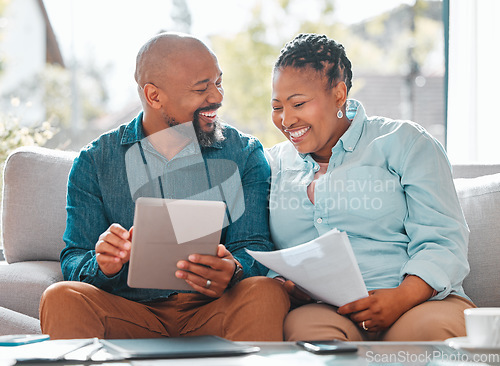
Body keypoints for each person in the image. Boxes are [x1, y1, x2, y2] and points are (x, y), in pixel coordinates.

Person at [40, 32, 289, 341]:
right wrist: (102, 264)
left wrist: (234, 268)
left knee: (265, 293)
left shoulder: (245, 153)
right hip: (128, 309)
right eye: (202, 88)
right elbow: (74, 257)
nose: (217, 97)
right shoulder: (95, 161)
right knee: (61, 297)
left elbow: (254, 246)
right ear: (154, 96)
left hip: (212, 309)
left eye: (218, 82)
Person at [267, 33, 475, 341]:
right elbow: (262, 250)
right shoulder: (272, 164)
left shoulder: (405, 142)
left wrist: (400, 298)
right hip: (323, 308)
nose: (286, 119)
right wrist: (287, 285)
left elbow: (443, 240)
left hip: (419, 301)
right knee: (313, 345)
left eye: (298, 103)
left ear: (339, 94)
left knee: (423, 339)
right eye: (276, 107)